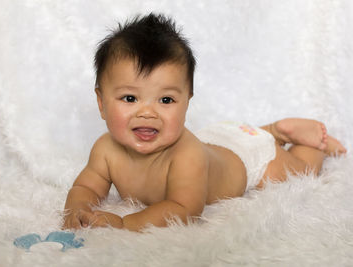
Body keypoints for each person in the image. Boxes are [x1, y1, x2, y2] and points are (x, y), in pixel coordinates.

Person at [62, 13, 347, 232]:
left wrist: (124, 224)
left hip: (248, 157)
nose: (147, 113)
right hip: (219, 138)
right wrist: (77, 209)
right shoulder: (105, 149)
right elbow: (87, 187)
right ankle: (271, 130)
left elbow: (183, 208)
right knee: (241, 138)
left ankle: (307, 143)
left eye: (165, 101)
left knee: (300, 171)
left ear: (187, 102)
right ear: (101, 102)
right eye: (129, 98)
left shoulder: (187, 155)